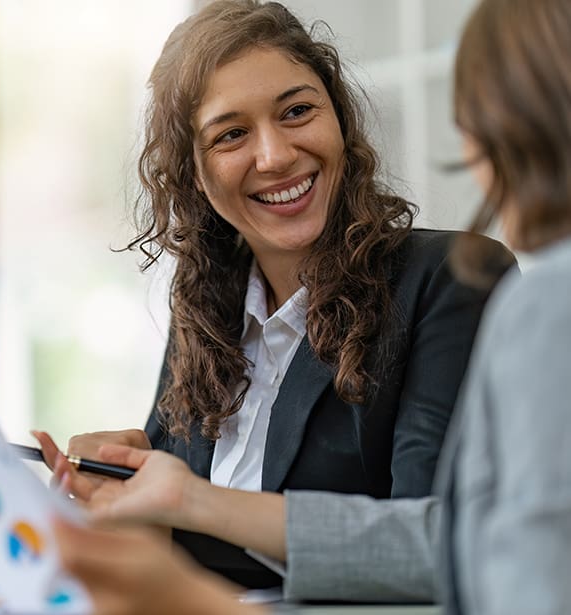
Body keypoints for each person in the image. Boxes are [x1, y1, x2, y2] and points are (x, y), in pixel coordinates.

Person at [52, 0, 571, 612]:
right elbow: (185, 556)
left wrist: (188, 501)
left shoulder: (450, 280)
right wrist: (122, 494)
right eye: (231, 134)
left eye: (297, 111)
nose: (274, 155)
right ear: (193, 174)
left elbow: (440, 549)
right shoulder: (205, 310)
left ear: (340, 124)